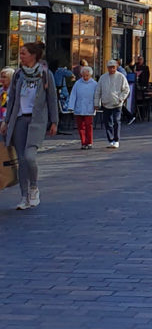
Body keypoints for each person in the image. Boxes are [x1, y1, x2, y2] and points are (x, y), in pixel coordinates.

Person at [0, 41, 58, 210]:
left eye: (24, 53)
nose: (21, 56)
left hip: (36, 122)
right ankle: (24, 196)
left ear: (33, 55)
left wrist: (54, 122)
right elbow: (11, 100)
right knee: (21, 160)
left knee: (29, 157)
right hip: (18, 121)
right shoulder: (18, 74)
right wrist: (6, 121)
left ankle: (34, 187)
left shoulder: (46, 74)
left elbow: (52, 99)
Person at [94, 59, 130, 149]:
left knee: (116, 121)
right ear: (107, 68)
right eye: (110, 67)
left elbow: (126, 89)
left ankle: (116, 140)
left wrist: (120, 98)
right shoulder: (103, 78)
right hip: (106, 103)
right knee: (107, 122)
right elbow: (98, 91)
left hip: (117, 103)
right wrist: (96, 103)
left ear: (116, 67)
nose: (111, 69)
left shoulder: (121, 77)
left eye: (113, 67)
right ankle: (111, 140)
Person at [68, 65, 97, 149]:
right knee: (80, 126)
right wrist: (71, 106)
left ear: (90, 75)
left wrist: (96, 105)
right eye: (83, 75)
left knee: (89, 125)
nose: (85, 77)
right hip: (79, 107)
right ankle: (83, 142)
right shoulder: (77, 83)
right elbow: (73, 95)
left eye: (87, 75)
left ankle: (89, 142)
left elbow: (97, 95)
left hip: (89, 107)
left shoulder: (94, 84)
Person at [0, 67, 15, 131]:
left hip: (9, 121)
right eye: (1, 77)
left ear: (11, 78)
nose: (1, 79)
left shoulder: (14, 91)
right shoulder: (1, 90)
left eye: (4, 77)